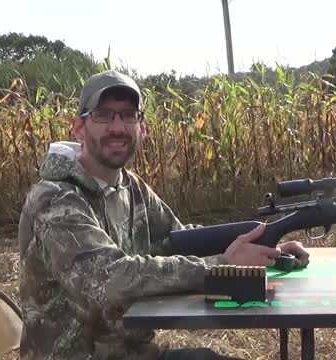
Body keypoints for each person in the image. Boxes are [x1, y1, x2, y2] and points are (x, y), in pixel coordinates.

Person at [17, 69, 310, 360]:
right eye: (103, 115)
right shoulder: (55, 200)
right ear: (78, 128)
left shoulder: (131, 187)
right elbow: (110, 281)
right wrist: (222, 265)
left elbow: (182, 240)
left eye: (128, 115)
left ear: (142, 128)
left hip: (135, 353)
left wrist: (265, 246)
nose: (117, 127)